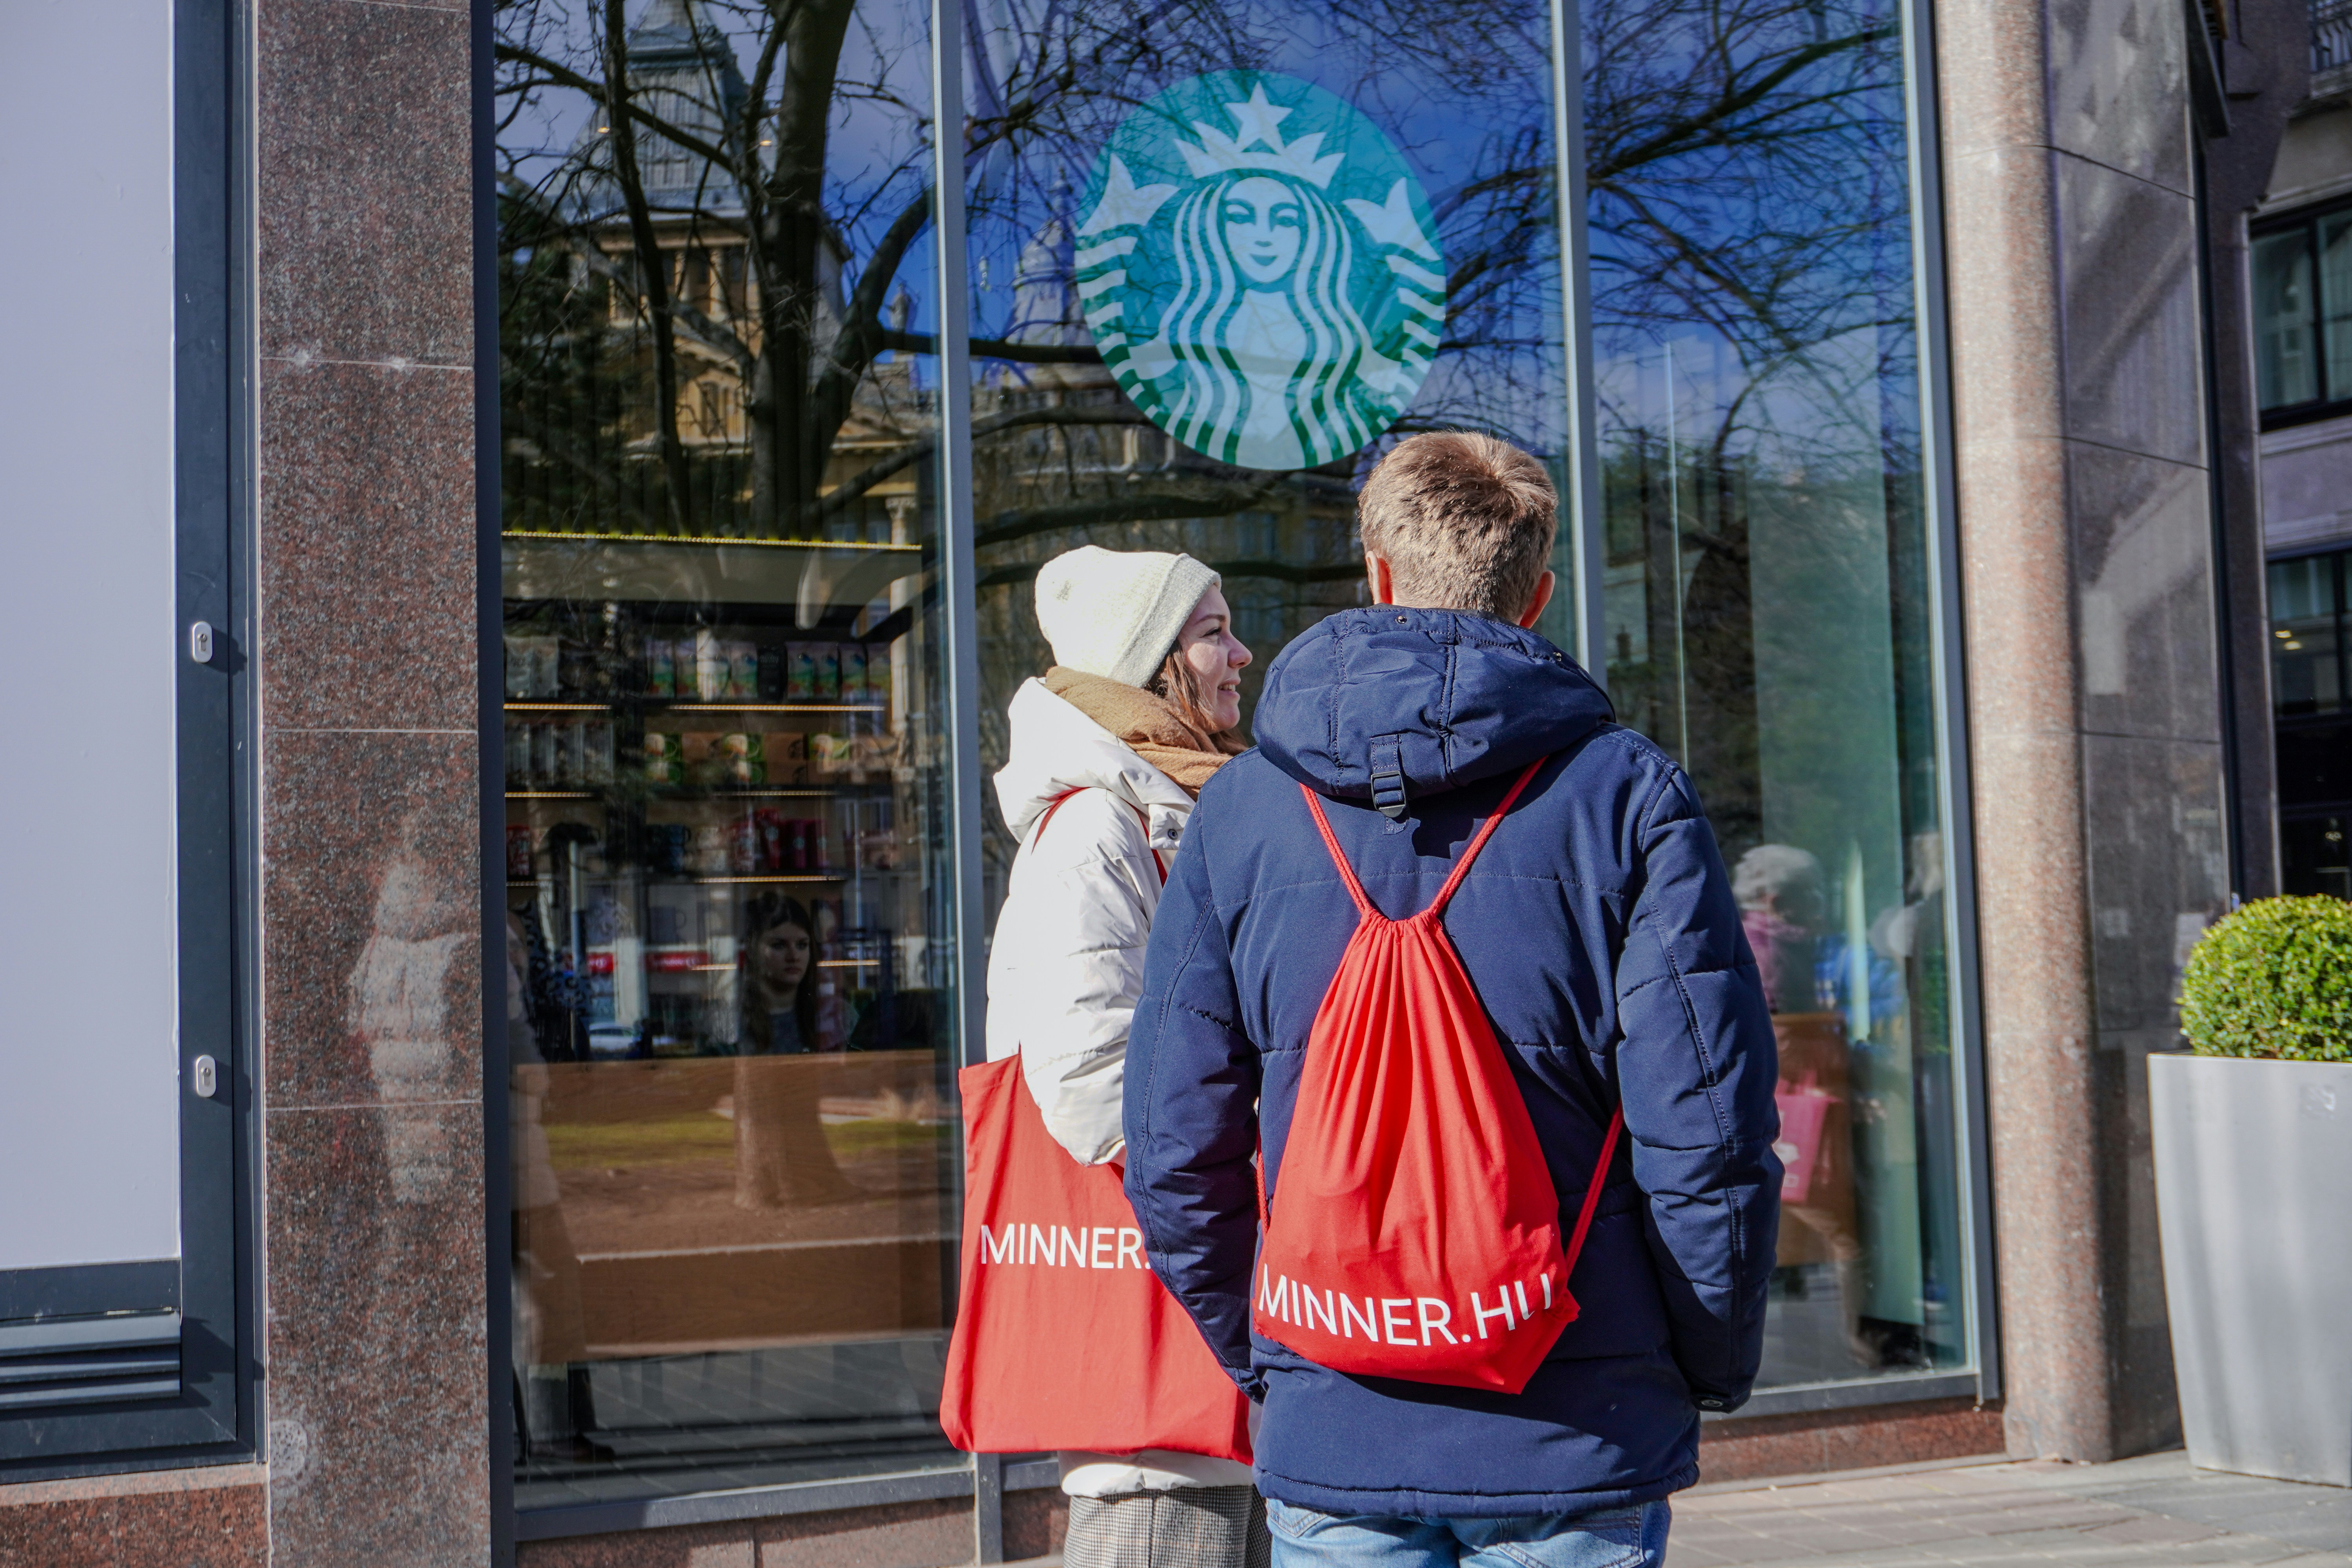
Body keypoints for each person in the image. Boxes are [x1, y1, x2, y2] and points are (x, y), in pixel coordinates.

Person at [1123, 433, 1780, 1568]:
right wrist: (1700, 1359)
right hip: (1577, 1422)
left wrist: (1280, 1355)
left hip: (1336, 1405)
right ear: (1538, 595)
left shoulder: (1240, 812)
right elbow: (1708, 1132)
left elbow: (1175, 1143)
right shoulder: (1628, 799)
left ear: (1376, 573)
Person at [986, 544, 1268, 1568]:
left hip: (1213, 1336)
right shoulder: (1097, 832)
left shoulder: (1181, 807)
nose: (1241, 652)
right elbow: (1087, 1090)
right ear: (1148, 664)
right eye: (1210, 633)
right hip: (1157, 1389)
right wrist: (1246, 1141)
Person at [733, 895, 860, 1207]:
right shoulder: (731, 1021)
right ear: (754, 949)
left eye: (802, 945)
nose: (794, 956)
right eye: (779, 945)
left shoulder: (834, 1017)